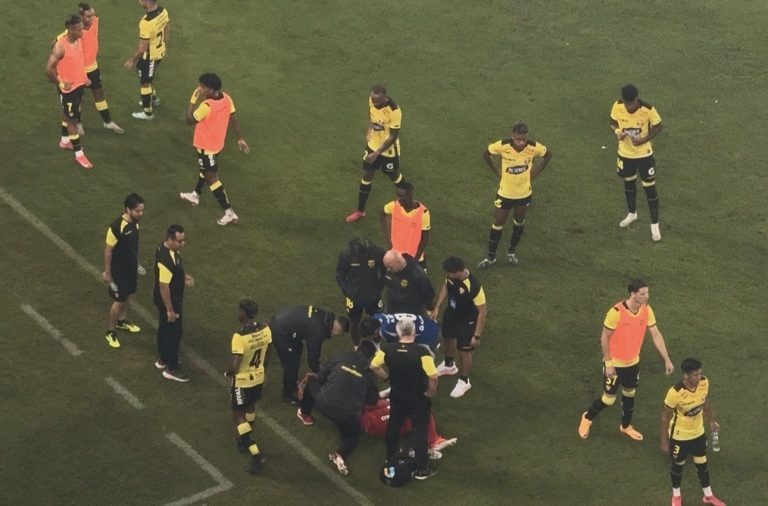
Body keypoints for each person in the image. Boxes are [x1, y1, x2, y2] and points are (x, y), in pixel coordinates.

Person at [578, 279, 674, 441]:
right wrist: (608, 363)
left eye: (647, 293)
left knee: (630, 394)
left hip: (633, 363)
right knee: (609, 399)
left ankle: (626, 426)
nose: (646, 296)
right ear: (632, 294)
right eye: (642, 294)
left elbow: (656, 334)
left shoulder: (646, 310)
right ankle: (587, 417)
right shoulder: (616, 312)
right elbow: (604, 338)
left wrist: (667, 358)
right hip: (615, 364)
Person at [295, 340, 379, 476]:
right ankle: (340, 455)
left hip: (324, 403)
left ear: (358, 349)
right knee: (351, 436)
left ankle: (304, 413)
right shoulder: (370, 375)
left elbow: (321, 376)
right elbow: (372, 402)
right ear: (371, 357)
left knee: (311, 382)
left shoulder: (341, 356)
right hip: (347, 415)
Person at [477, 122, 553, 269]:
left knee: (519, 221)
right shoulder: (503, 146)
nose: (521, 142)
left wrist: (536, 173)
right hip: (505, 193)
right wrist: (497, 171)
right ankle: (490, 257)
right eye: (518, 139)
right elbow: (486, 153)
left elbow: (548, 155)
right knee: (498, 221)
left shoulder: (533, 147)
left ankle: (511, 252)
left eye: (524, 139)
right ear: (513, 136)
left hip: (523, 194)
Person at [371, 319, 438, 480]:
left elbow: (374, 366)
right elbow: (433, 376)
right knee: (419, 430)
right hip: (418, 396)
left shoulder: (387, 349)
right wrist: (431, 392)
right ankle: (422, 468)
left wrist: (387, 378)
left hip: (397, 394)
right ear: (414, 332)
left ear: (398, 332)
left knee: (394, 424)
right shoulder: (422, 352)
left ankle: (391, 456)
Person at [179, 73, 250, 225]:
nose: (200, 89)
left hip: (207, 147)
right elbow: (233, 119)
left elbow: (189, 120)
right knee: (205, 171)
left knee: (211, 178)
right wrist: (240, 138)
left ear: (211, 89)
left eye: (203, 87)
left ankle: (229, 213)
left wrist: (192, 101)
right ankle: (195, 195)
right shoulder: (227, 98)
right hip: (217, 145)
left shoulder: (206, 106)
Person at [660, 358, 726, 506]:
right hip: (680, 435)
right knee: (678, 465)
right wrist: (664, 442)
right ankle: (676, 496)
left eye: (700, 373)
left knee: (702, 464)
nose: (699, 377)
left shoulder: (704, 382)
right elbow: (665, 416)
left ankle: (708, 495)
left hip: (698, 432)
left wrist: (711, 421)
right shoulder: (675, 392)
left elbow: (705, 401)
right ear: (686, 375)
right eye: (695, 375)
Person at [55, 4, 123, 135]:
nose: (92, 18)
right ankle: (78, 124)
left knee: (99, 93)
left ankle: (107, 121)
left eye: (93, 15)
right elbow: (56, 43)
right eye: (88, 16)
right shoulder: (74, 32)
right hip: (77, 71)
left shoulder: (95, 20)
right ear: (81, 17)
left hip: (92, 67)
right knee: (77, 98)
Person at [346, 85, 408, 223]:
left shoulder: (394, 111)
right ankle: (360, 210)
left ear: (385, 98)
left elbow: (393, 137)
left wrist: (377, 153)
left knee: (393, 175)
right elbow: (371, 116)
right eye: (372, 99)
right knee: (367, 175)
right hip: (373, 145)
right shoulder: (372, 101)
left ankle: (409, 203)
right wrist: (370, 130)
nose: (373, 103)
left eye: (377, 101)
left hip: (389, 150)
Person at [224, 298, 272, 475]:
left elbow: (236, 365)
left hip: (242, 381)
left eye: (239, 311)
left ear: (244, 313)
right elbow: (268, 353)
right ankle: (245, 441)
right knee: (250, 407)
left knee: (238, 416)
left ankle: (255, 454)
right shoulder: (266, 329)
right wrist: (264, 371)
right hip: (258, 377)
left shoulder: (239, 336)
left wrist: (228, 373)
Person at [610, 84, 663, 241]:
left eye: (631, 103)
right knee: (629, 183)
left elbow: (658, 126)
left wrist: (644, 140)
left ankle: (655, 225)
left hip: (644, 155)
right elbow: (612, 122)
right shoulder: (617, 106)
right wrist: (617, 132)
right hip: (625, 154)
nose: (629, 107)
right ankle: (632, 213)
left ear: (636, 100)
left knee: (650, 188)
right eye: (627, 103)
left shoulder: (648, 109)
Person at [269, 305, 350, 403]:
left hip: (284, 322)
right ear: (337, 330)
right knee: (292, 363)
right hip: (280, 330)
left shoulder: (325, 317)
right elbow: (312, 358)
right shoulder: (318, 331)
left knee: (298, 348)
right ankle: (288, 393)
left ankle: (292, 380)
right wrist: (321, 373)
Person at [432, 256, 487, 398]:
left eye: (449, 273)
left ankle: (464, 381)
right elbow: (446, 286)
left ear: (457, 271)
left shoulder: (473, 286)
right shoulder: (451, 278)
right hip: (451, 314)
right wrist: (437, 307)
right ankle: (449, 365)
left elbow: (482, 311)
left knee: (464, 351)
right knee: (448, 338)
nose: (447, 275)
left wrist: (477, 336)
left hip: (467, 321)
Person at [45, 14, 93, 169]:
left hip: (78, 85)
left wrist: (84, 78)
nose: (82, 31)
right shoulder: (61, 47)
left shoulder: (77, 40)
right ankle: (79, 154)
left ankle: (65, 141)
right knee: (73, 121)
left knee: (69, 114)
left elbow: (78, 61)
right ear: (70, 30)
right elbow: (49, 70)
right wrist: (60, 83)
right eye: (79, 29)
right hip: (69, 90)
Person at [102, 193, 145, 348]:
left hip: (130, 268)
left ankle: (121, 321)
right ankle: (110, 331)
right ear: (128, 209)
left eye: (142, 210)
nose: (141, 214)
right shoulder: (116, 227)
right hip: (119, 271)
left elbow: (133, 246)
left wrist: (137, 262)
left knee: (127, 295)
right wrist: (107, 273)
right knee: (119, 300)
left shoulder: (135, 224)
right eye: (137, 211)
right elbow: (108, 250)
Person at [153, 224, 194, 382]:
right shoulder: (166, 259)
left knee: (164, 328)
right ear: (170, 239)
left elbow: (172, 273)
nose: (182, 244)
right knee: (174, 333)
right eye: (179, 241)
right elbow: (164, 286)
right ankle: (172, 368)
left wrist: (182, 277)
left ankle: (164, 359)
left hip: (162, 298)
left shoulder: (164, 249)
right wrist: (170, 309)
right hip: (170, 300)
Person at [335, 238, 386, 346]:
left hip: (373, 297)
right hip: (353, 297)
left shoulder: (378, 253)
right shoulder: (346, 254)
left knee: (377, 322)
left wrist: (379, 288)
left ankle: (376, 346)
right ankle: (356, 347)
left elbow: (384, 272)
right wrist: (347, 291)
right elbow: (340, 275)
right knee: (354, 322)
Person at [124, 0, 169, 120]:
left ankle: (148, 113)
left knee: (145, 82)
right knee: (148, 76)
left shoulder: (146, 22)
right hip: (160, 51)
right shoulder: (163, 11)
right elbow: (166, 28)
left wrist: (132, 60)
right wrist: (165, 46)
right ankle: (153, 99)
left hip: (150, 57)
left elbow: (143, 48)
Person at [380, 181, 430, 269]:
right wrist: (388, 238)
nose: (398, 199)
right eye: (397, 195)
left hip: (414, 257)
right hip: (396, 256)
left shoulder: (423, 213)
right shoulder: (394, 205)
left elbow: (425, 238)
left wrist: (415, 260)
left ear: (410, 195)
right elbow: (382, 213)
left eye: (401, 196)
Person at [382, 249, 435, 316]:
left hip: (411, 313)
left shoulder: (417, 274)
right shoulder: (391, 269)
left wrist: (430, 310)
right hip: (392, 311)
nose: (388, 270)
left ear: (398, 263)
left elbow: (428, 295)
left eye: (390, 267)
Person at [367, 313, 440, 355]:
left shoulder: (385, 331)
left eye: (370, 335)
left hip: (429, 337)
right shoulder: (376, 316)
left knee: (422, 365)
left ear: (376, 331)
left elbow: (399, 345)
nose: (370, 338)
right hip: (429, 323)